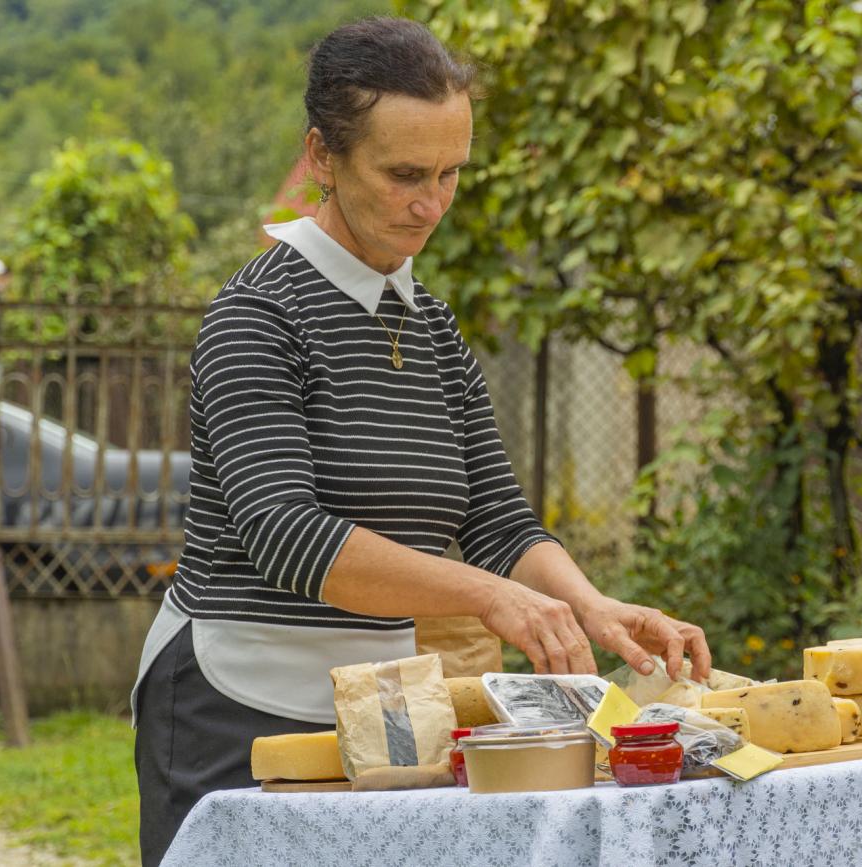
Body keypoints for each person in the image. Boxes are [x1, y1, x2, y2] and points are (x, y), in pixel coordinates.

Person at [131, 16, 712, 866]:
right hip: (235, 700)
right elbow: (286, 534)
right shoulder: (256, 317)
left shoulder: (431, 326)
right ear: (322, 157)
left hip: (387, 710)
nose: (430, 203)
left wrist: (594, 607)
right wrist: (490, 598)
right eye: (404, 174)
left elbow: (496, 521)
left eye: (449, 174)